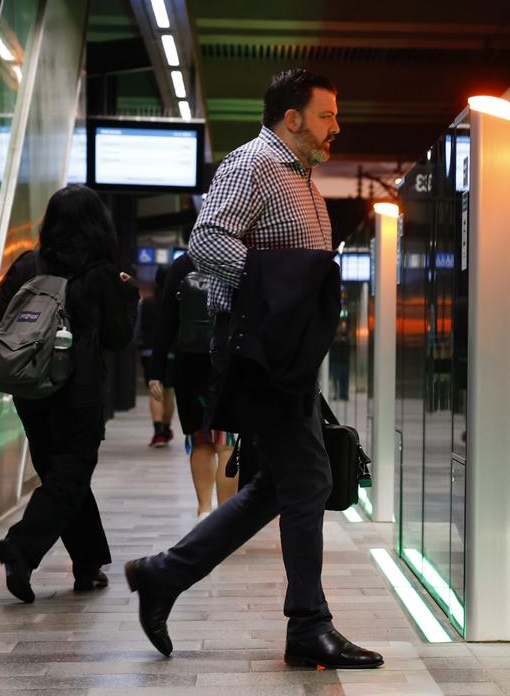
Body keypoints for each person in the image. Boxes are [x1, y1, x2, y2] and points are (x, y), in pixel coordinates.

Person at [123, 69, 383, 670]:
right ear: (292, 118)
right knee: (312, 477)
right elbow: (207, 242)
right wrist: (275, 293)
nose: (335, 126)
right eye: (326, 115)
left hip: (285, 351)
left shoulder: (302, 178)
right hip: (259, 349)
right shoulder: (254, 164)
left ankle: (164, 575)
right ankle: (308, 626)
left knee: (280, 484)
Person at [0, 185, 138, 604]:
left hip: (31, 389)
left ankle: (88, 564)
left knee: (63, 477)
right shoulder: (100, 274)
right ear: (98, 225)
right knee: (68, 478)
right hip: (79, 394)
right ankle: (20, 549)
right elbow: (117, 337)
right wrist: (127, 295)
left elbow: (4, 322)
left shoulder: (26, 265)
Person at [146, 251, 237, 521]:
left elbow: (167, 322)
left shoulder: (182, 265)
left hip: (189, 364)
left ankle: (203, 511)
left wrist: (156, 370)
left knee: (200, 441)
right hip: (229, 363)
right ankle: (225, 520)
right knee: (227, 443)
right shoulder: (238, 259)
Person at [140, 266, 176, 447]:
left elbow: (139, 328)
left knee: (154, 389)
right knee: (169, 390)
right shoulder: (177, 301)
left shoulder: (147, 303)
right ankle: (167, 428)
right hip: (172, 352)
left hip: (149, 352)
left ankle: (158, 431)